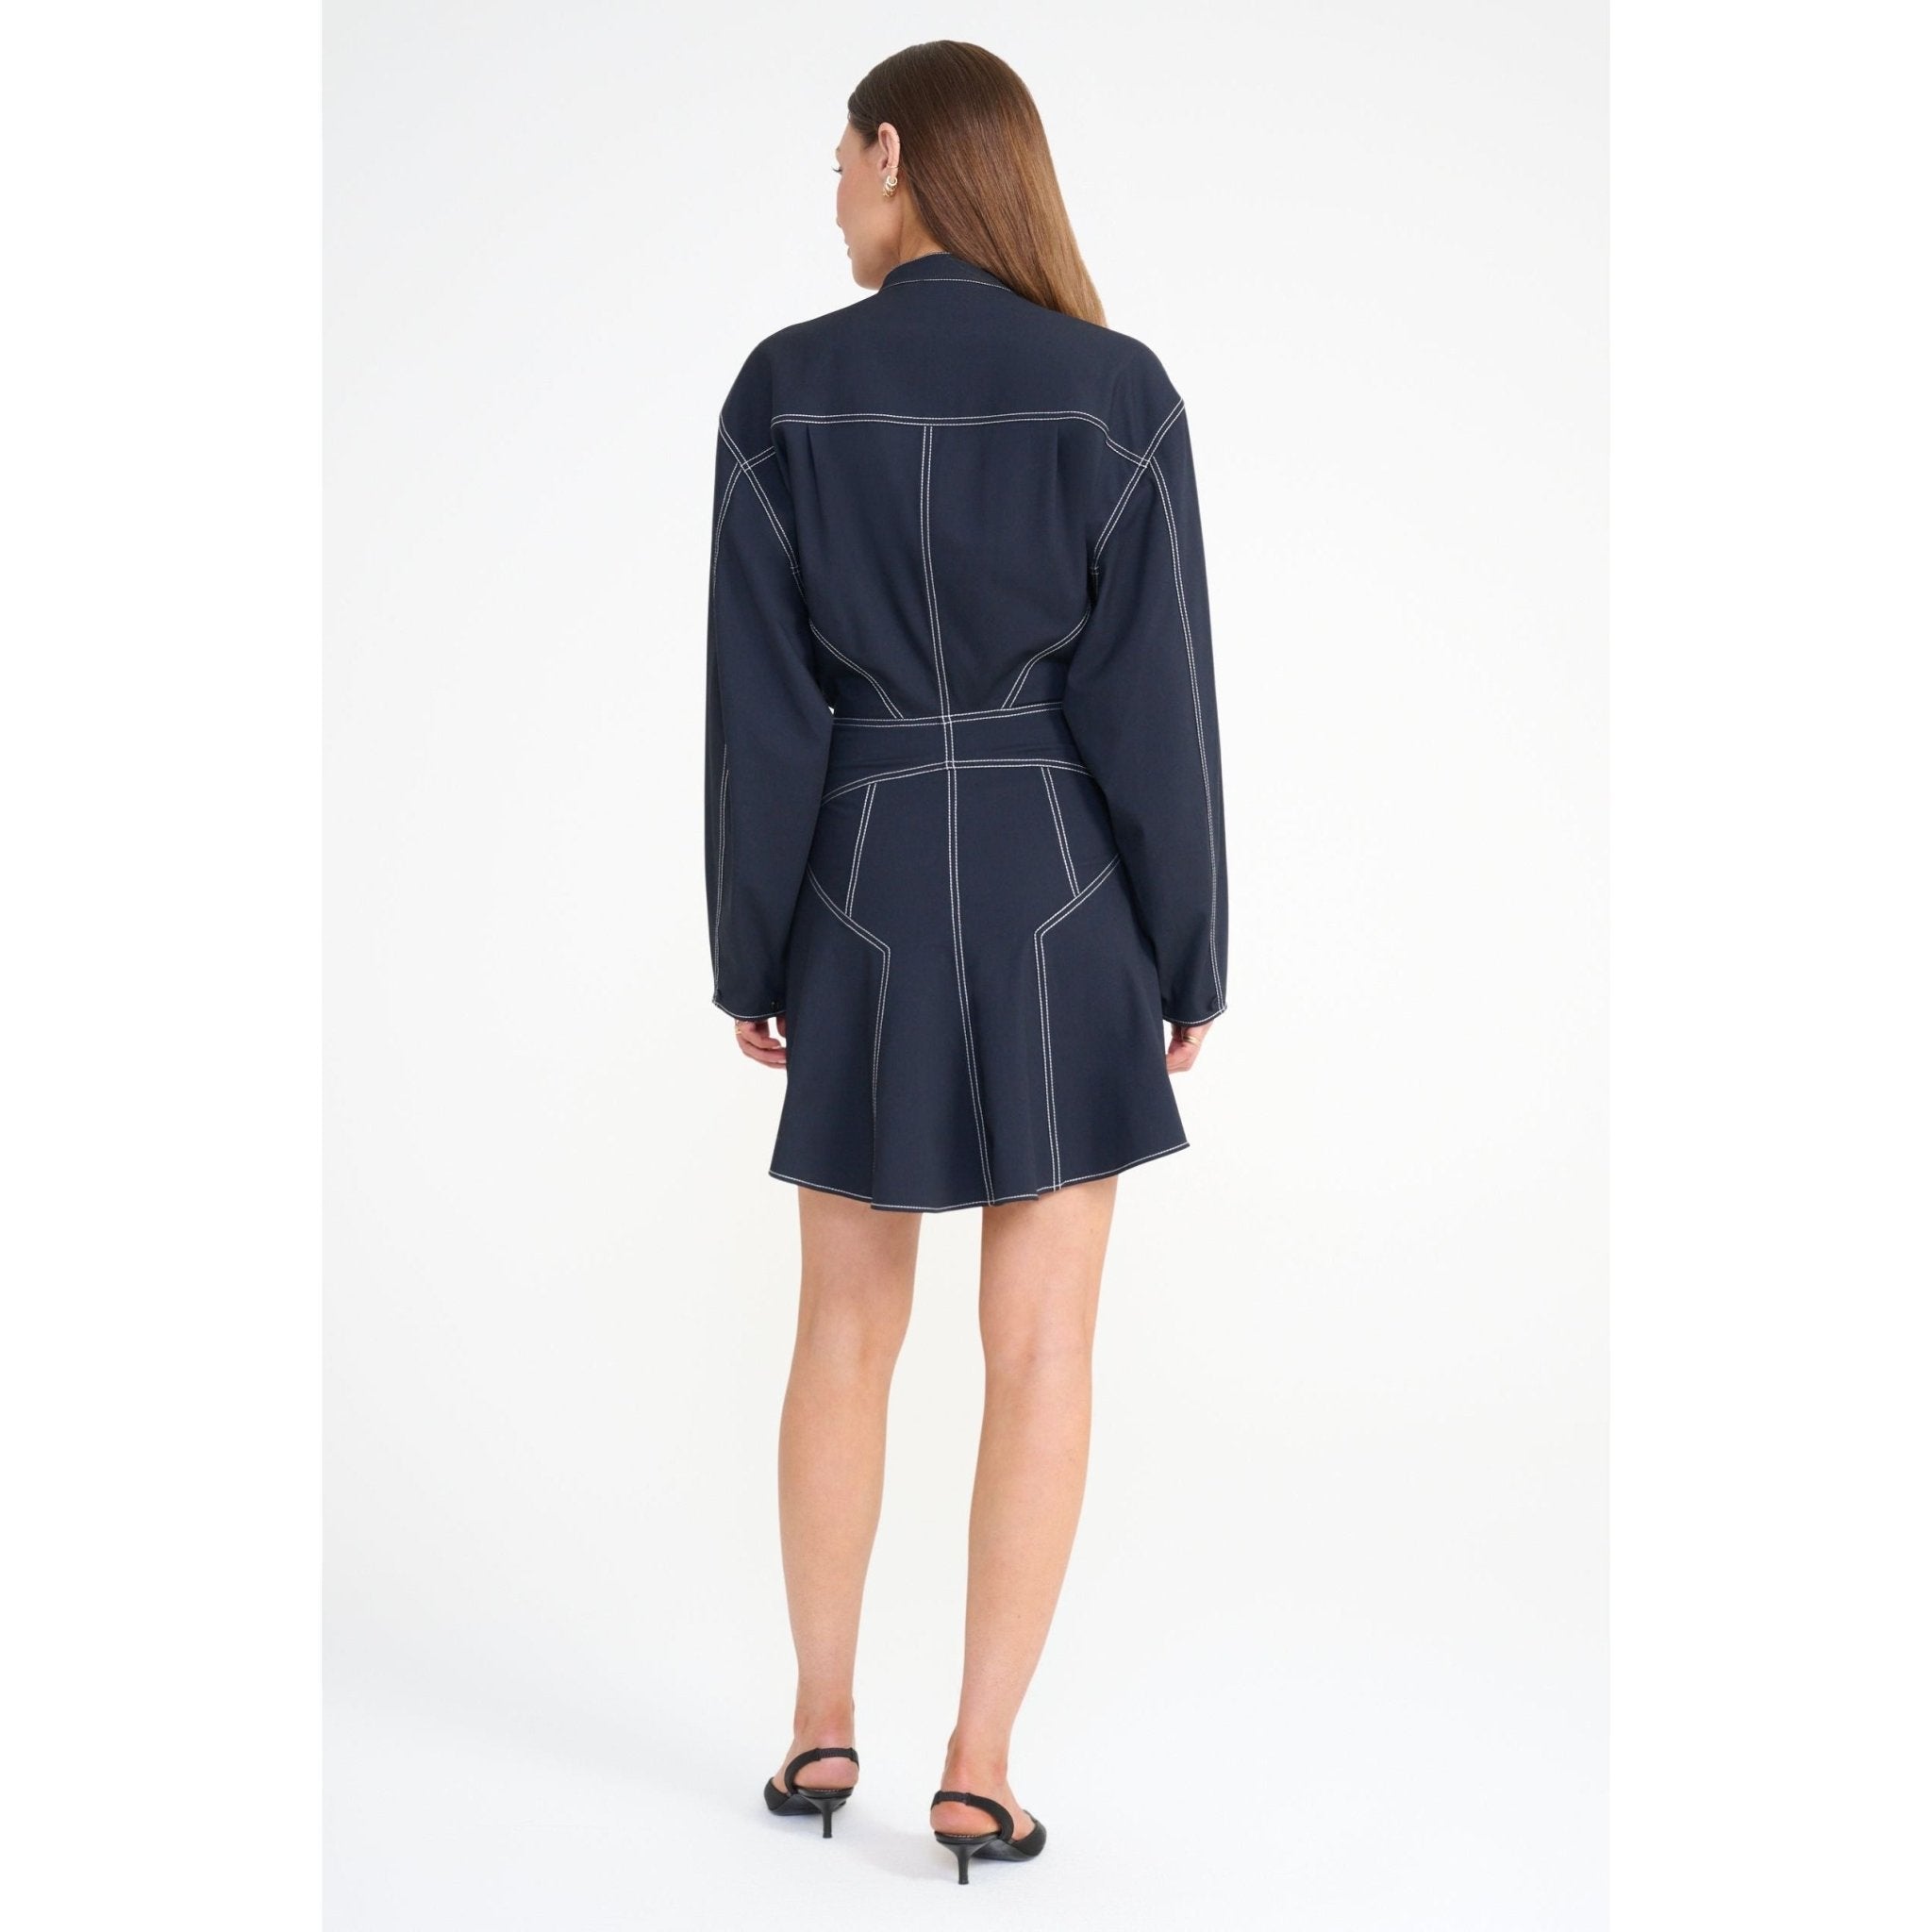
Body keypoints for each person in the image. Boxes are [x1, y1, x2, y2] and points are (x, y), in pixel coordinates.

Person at [706, 41, 1229, 1884]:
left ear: (894, 149)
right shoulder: (1116, 390)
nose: (832, 192)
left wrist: (752, 946)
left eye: (839, 157)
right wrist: (1187, 951)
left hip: (854, 880)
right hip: (1063, 893)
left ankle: (817, 1723)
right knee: (1044, 1344)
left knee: (844, 1331)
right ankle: (977, 1766)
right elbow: (1157, 713)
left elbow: (759, 715)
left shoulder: (784, 390)